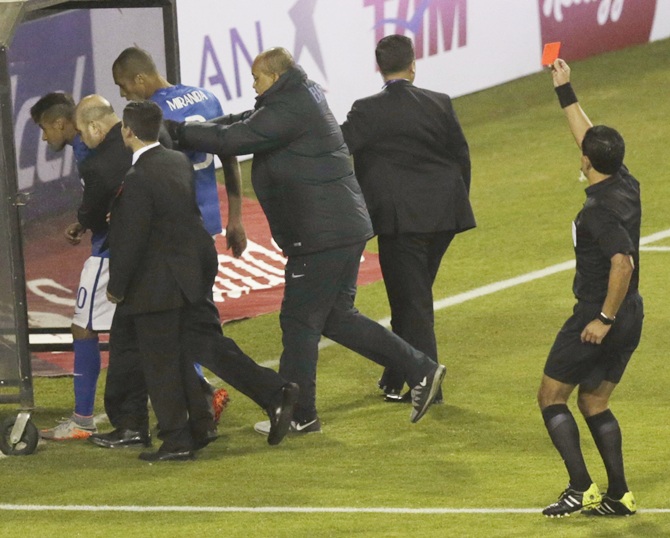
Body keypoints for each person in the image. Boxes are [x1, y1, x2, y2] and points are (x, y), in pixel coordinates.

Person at [167, 47, 446, 435]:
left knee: (298, 321)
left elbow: (235, 138)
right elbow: (240, 122)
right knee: (336, 318)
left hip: (322, 234)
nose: (252, 85)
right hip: (336, 228)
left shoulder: (289, 107)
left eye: (257, 78)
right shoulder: (294, 97)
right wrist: (190, 132)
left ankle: (300, 414)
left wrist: (178, 132)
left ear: (276, 77)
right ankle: (421, 369)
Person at [107, 100, 297, 461]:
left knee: (161, 360)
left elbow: (131, 242)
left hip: (160, 284)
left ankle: (178, 439)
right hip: (193, 272)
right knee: (201, 345)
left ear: (128, 131)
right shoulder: (176, 161)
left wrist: (117, 287)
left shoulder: (137, 179)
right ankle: (266, 397)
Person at [341, 35, 475, 403]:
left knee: (412, 302)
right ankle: (396, 374)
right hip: (445, 216)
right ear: (413, 65)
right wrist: (453, 203)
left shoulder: (366, 110)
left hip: (401, 223)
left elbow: (338, 150)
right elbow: (461, 158)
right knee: (411, 295)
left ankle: (428, 383)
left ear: (379, 67)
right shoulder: (440, 103)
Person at [112, 46, 245, 412]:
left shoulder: (155, 115)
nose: (123, 94)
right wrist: (236, 215)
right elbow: (228, 154)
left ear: (140, 79)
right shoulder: (206, 96)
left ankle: (198, 396)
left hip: (177, 230)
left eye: (124, 86)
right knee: (200, 309)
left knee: (179, 316)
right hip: (209, 221)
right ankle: (199, 393)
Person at [538, 59, 643, 517]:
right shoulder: (625, 181)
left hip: (596, 317)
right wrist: (565, 91)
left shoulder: (597, 211)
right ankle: (619, 495)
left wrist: (601, 318)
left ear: (586, 163)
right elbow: (589, 139)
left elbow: (623, 261)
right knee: (595, 400)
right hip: (632, 313)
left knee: (551, 396)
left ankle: (581, 487)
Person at [30, 93, 115, 440]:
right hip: (115, 241)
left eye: (44, 129)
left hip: (109, 248)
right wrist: (84, 221)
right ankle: (195, 394)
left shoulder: (87, 146)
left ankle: (82, 419)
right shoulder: (90, 144)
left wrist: (91, 217)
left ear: (60, 123)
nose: (44, 138)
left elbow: (107, 186)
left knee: (83, 326)